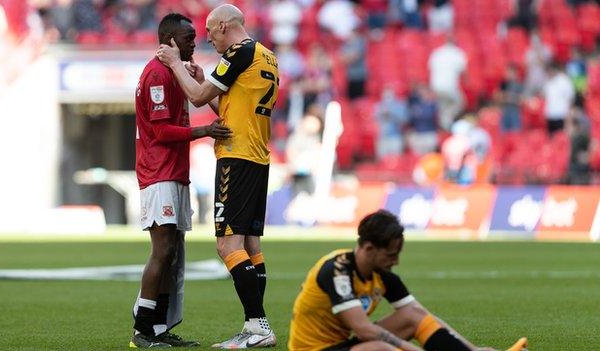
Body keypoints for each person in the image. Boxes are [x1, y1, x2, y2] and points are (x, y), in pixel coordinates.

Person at [156, 4, 279, 348]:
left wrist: (176, 64)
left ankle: (257, 326)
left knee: (227, 245)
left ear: (224, 25)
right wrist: (198, 78)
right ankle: (256, 324)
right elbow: (226, 108)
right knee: (250, 245)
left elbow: (195, 99)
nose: (207, 37)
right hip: (257, 156)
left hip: (236, 158)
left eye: (210, 30)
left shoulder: (239, 52)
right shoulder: (266, 55)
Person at [288, 209, 529, 351]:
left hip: (344, 345)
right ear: (370, 248)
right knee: (380, 348)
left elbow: (420, 315)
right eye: (391, 255)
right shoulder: (337, 270)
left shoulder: (380, 274)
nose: (395, 262)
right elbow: (363, 328)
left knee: (411, 317)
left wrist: (471, 349)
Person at [131, 13, 232, 349]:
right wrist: (204, 131)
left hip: (173, 172)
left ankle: (158, 329)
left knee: (170, 253)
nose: (194, 42)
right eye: (188, 37)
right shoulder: (158, 74)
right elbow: (159, 131)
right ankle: (142, 330)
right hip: (158, 172)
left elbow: (194, 99)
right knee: (161, 251)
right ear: (170, 39)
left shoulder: (174, 71)